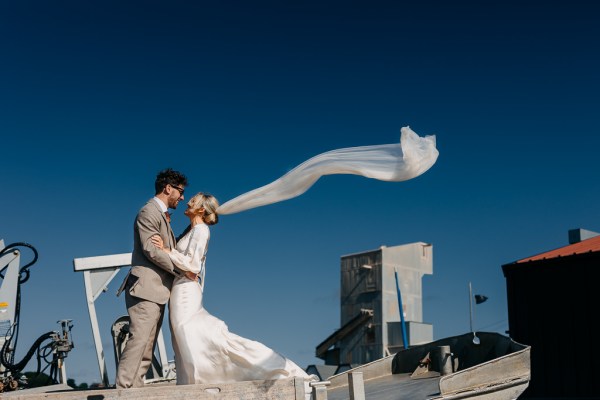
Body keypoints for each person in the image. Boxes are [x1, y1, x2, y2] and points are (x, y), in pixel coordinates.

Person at [151, 192, 317, 390]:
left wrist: (168, 251)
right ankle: (195, 386)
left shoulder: (202, 231)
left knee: (193, 336)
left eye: (193, 201)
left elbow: (193, 267)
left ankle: (277, 370)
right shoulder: (192, 231)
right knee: (185, 339)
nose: (188, 202)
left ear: (201, 210)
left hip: (186, 292)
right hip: (180, 289)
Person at [115, 168, 192, 388]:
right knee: (139, 341)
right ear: (168, 188)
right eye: (180, 191)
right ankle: (124, 391)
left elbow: (169, 247)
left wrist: (194, 226)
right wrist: (181, 271)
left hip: (156, 291)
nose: (183, 197)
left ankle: (134, 390)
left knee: (147, 347)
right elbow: (151, 249)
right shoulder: (148, 212)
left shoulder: (161, 216)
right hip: (145, 289)